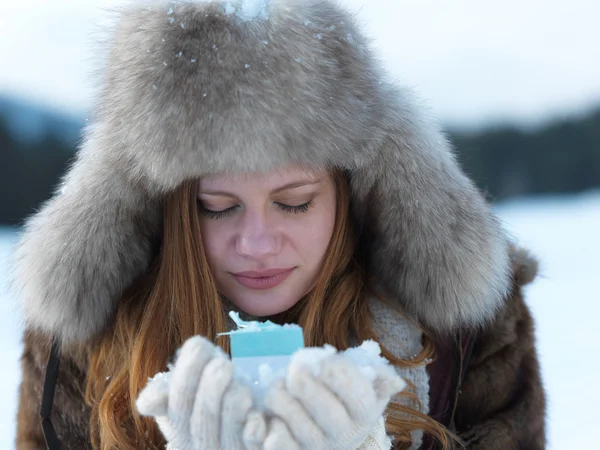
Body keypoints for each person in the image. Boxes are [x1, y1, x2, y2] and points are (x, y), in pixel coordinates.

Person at [13, 0, 546, 449]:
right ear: (168, 208)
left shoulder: (464, 337)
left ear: (352, 191)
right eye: (216, 206)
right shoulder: (85, 348)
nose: (258, 243)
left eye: (294, 202)